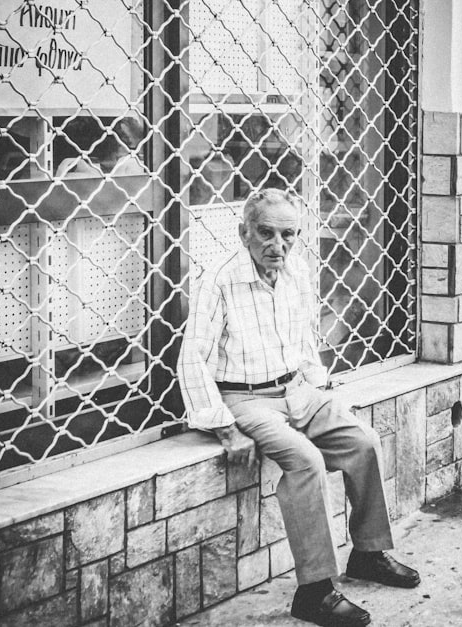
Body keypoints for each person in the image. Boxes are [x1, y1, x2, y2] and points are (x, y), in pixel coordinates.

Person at [178, 188, 419, 627]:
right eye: (266, 233)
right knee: (305, 461)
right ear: (244, 232)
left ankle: (368, 554)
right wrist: (222, 425)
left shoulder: (297, 271)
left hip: (296, 390)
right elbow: (193, 357)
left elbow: (304, 336)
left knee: (363, 441)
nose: (278, 245)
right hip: (245, 398)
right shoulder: (218, 280)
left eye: (288, 234)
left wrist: (318, 386)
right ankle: (315, 592)